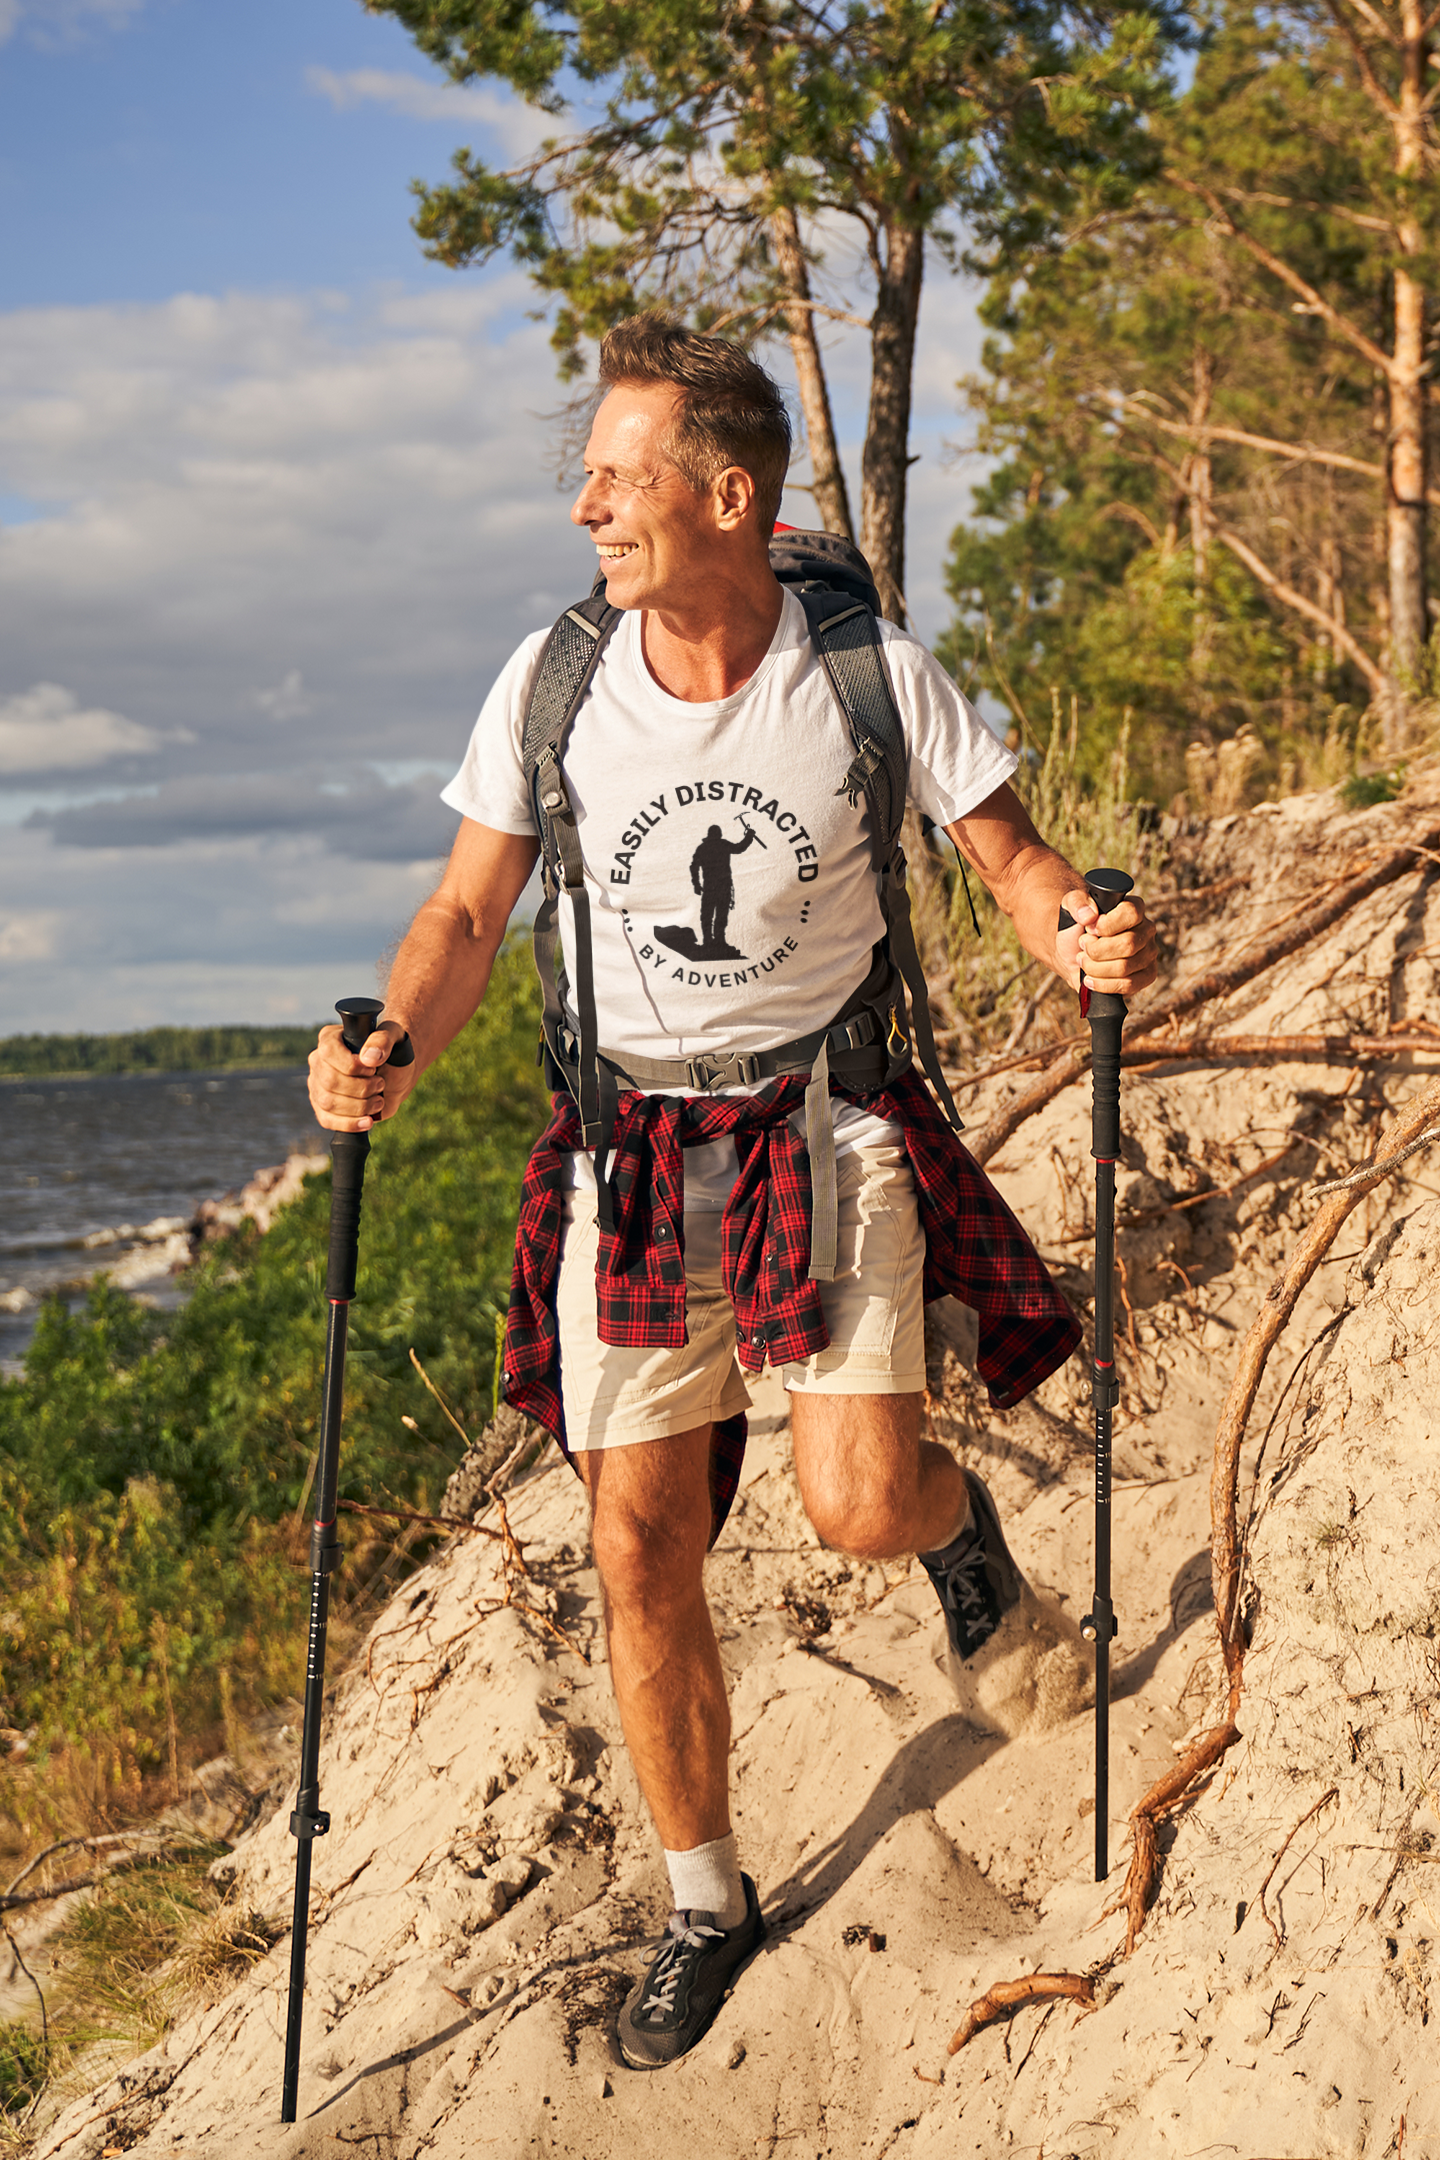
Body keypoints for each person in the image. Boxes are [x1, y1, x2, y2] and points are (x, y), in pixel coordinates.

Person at [307, 314, 1158, 2073]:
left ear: (728, 494)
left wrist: (1082, 933)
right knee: (639, 1541)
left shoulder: (862, 670)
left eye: (617, 479)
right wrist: (388, 1039)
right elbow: (465, 920)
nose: (586, 512)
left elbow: (1008, 859)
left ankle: (964, 1545)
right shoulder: (553, 683)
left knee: (856, 1505)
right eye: (589, 478)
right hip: (630, 1155)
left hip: (828, 1127)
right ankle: (709, 1899)